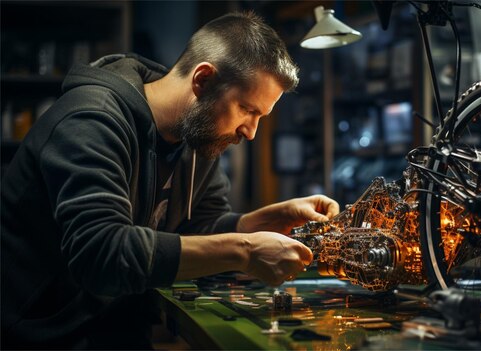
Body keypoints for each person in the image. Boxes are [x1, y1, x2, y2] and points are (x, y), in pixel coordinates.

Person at [1, 11, 339, 349]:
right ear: (203, 81)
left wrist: (261, 222)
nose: (250, 132)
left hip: (116, 329)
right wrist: (246, 250)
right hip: (37, 334)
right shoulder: (92, 120)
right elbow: (101, 254)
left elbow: (198, 229)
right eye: (247, 110)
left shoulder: (199, 137)